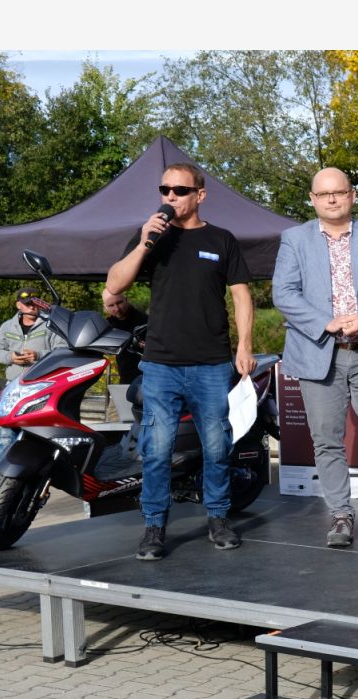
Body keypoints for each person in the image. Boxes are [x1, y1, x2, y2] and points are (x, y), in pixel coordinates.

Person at [106, 162, 256, 561]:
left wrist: (244, 345)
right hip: (161, 365)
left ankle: (218, 518)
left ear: (200, 195)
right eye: (165, 190)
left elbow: (241, 295)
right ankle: (154, 526)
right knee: (156, 450)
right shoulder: (151, 236)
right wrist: (144, 243)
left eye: (180, 190)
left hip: (211, 363)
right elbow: (115, 285)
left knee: (217, 446)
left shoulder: (221, 239)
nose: (170, 196)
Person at [272, 167, 358, 548]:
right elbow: (284, 292)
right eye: (323, 194)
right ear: (312, 200)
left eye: (338, 192)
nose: (331, 199)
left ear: (352, 195)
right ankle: (340, 515)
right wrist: (325, 323)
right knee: (326, 440)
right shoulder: (294, 239)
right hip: (319, 352)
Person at [0, 285, 65, 459]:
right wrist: (10, 357)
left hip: (42, 386)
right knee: (7, 433)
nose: (33, 307)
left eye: (35, 303)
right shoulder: (7, 326)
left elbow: (63, 350)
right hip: (13, 386)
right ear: (18, 305)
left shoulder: (51, 324)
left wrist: (38, 355)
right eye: (28, 304)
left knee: (38, 433)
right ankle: (2, 471)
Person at [102, 289, 148, 384]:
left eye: (119, 303)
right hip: (125, 378)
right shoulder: (107, 325)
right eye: (111, 305)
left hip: (148, 377)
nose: (117, 309)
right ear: (105, 307)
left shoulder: (146, 321)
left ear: (126, 300)